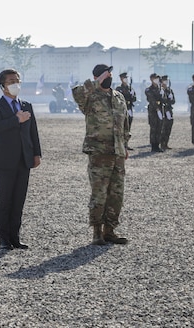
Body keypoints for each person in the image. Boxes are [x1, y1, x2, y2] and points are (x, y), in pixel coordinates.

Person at [72, 64, 130, 245]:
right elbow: (77, 93)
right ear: (98, 77)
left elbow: (125, 124)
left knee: (116, 194)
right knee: (99, 194)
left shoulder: (119, 97)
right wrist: (96, 83)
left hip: (117, 152)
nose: (109, 77)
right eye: (106, 75)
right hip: (98, 152)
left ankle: (110, 230)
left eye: (110, 74)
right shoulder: (90, 97)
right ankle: (97, 231)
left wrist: (125, 145)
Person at [0, 68, 41, 250]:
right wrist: (16, 119)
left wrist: (36, 153)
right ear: (3, 85)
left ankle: (15, 237)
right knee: (4, 201)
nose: (15, 84)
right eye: (11, 81)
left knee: (19, 200)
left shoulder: (26, 105)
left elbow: (33, 132)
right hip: (4, 161)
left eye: (17, 80)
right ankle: (3, 239)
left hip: (24, 160)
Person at [115, 72, 136, 150]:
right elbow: (119, 99)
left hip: (129, 108)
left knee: (128, 127)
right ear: (121, 79)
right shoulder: (118, 89)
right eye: (124, 78)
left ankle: (126, 144)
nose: (126, 79)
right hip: (122, 109)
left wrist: (132, 95)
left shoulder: (130, 88)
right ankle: (121, 144)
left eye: (127, 78)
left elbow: (134, 99)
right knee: (122, 127)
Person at [145, 73, 164, 152]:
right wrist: (157, 109)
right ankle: (153, 145)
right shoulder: (149, 89)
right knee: (153, 128)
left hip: (160, 109)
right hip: (153, 110)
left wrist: (163, 95)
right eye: (155, 78)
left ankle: (157, 144)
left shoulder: (160, 89)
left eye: (157, 78)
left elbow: (164, 100)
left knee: (159, 127)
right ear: (151, 79)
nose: (156, 80)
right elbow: (152, 100)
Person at [160, 75, 176, 150]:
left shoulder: (169, 90)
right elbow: (161, 100)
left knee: (168, 127)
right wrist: (167, 100)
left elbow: (173, 101)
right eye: (164, 80)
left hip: (169, 111)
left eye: (167, 80)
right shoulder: (160, 90)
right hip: (163, 111)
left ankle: (166, 143)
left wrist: (170, 99)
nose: (166, 82)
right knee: (163, 128)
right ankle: (162, 143)